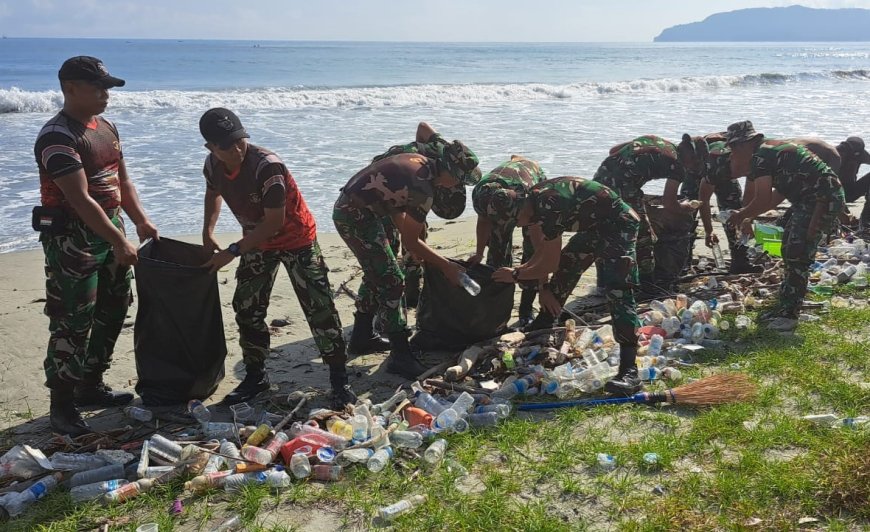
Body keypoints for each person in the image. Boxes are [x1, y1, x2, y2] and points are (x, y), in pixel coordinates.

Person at [34, 56, 159, 436]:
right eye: (98, 88)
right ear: (70, 88)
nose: (106, 95)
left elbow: (122, 182)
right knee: (73, 319)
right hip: (74, 240)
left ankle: (90, 385)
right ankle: (63, 404)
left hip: (111, 230)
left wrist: (139, 221)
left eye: (108, 88)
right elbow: (80, 199)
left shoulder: (106, 127)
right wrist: (119, 239)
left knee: (115, 306)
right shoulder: (57, 136)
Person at [198, 108, 353, 408]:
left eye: (240, 140)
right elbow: (212, 193)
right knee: (246, 307)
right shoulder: (212, 165)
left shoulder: (267, 166)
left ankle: (339, 379)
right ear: (211, 148)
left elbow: (274, 223)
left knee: (319, 307)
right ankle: (256, 376)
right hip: (257, 243)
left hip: (297, 240)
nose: (237, 148)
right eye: (227, 145)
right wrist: (207, 231)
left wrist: (231, 252)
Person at [333, 132, 481, 379]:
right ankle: (400, 356)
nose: (456, 187)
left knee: (378, 271)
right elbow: (412, 242)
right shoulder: (424, 187)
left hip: (368, 210)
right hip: (355, 216)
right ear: (449, 173)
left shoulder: (420, 162)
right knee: (392, 280)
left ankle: (361, 336)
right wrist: (446, 266)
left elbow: (395, 206)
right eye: (459, 182)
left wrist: (421, 247)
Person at [491, 176, 643, 395]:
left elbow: (548, 263)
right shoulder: (534, 202)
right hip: (595, 226)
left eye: (515, 220)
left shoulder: (549, 205)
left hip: (620, 224)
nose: (517, 224)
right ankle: (545, 320)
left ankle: (630, 370)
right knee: (568, 263)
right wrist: (541, 287)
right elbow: (544, 251)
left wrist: (515, 274)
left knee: (618, 288)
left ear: (519, 209)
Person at [725, 121, 845, 332]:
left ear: (745, 143)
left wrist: (740, 215)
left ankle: (790, 315)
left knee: (797, 253)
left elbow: (762, 200)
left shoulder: (762, 156)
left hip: (821, 199)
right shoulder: (770, 151)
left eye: (734, 147)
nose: (733, 152)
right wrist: (746, 218)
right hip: (809, 199)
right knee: (788, 248)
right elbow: (775, 198)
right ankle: (787, 305)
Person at [593, 135, 695, 292]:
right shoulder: (678, 165)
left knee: (605, 229)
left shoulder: (656, 141)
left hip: (600, 180)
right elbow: (669, 203)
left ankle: (602, 283)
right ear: (691, 157)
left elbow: (613, 150)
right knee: (644, 235)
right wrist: (685, 207)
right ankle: (646, 284)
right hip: (624, 187)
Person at [470, 155, 547, 327]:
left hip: (530, 178)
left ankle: (526, 309)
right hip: (505, 191)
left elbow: (540, 248)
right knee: (497, 254)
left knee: (530, 254)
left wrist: (543, 286)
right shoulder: (481, 195)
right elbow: (483, 221)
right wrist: (479, 253)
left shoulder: (530, 200)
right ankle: (498, 309)